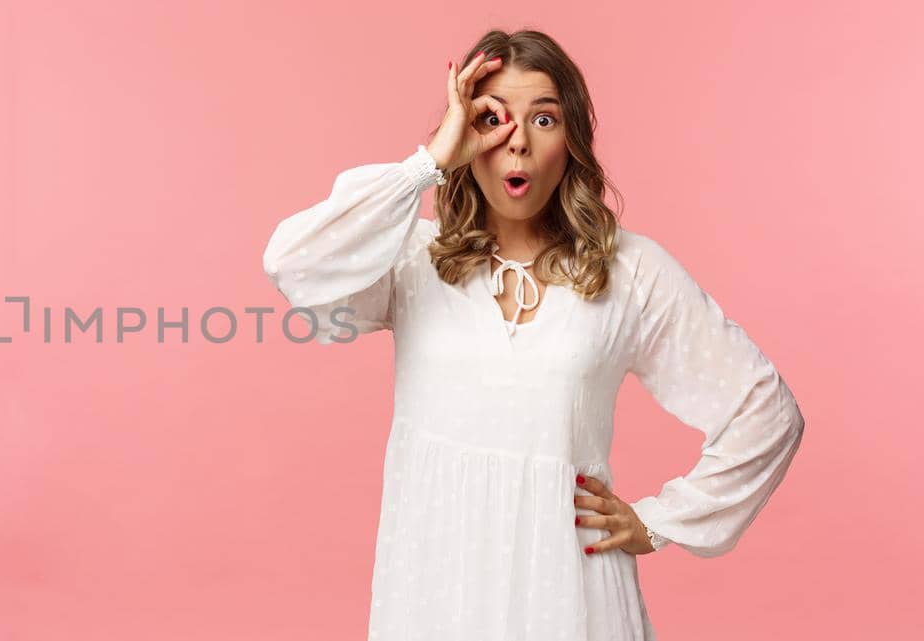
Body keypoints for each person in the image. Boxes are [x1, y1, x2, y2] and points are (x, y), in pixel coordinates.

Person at [260, 30, 805, 640]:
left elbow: (766, 410)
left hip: (571, 594)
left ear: (570, 139)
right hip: (437, 589)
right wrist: (430, 161)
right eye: (491, 118)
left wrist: (657, 522)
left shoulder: (631, 271)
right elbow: (294, 265)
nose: (516, 140)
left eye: (543, 118)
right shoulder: (414, 260)